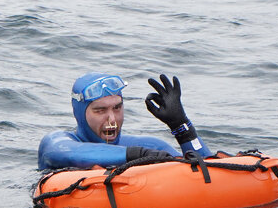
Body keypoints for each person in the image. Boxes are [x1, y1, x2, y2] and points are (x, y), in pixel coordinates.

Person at [37, 72, 211, 170]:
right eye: (100, 110)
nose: (112, 118)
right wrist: (139, 155)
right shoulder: (56, 142)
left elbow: (209, 169)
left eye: (117, 108)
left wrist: (182, 127)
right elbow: (67, 152)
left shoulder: (152, 146)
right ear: (80, 114)